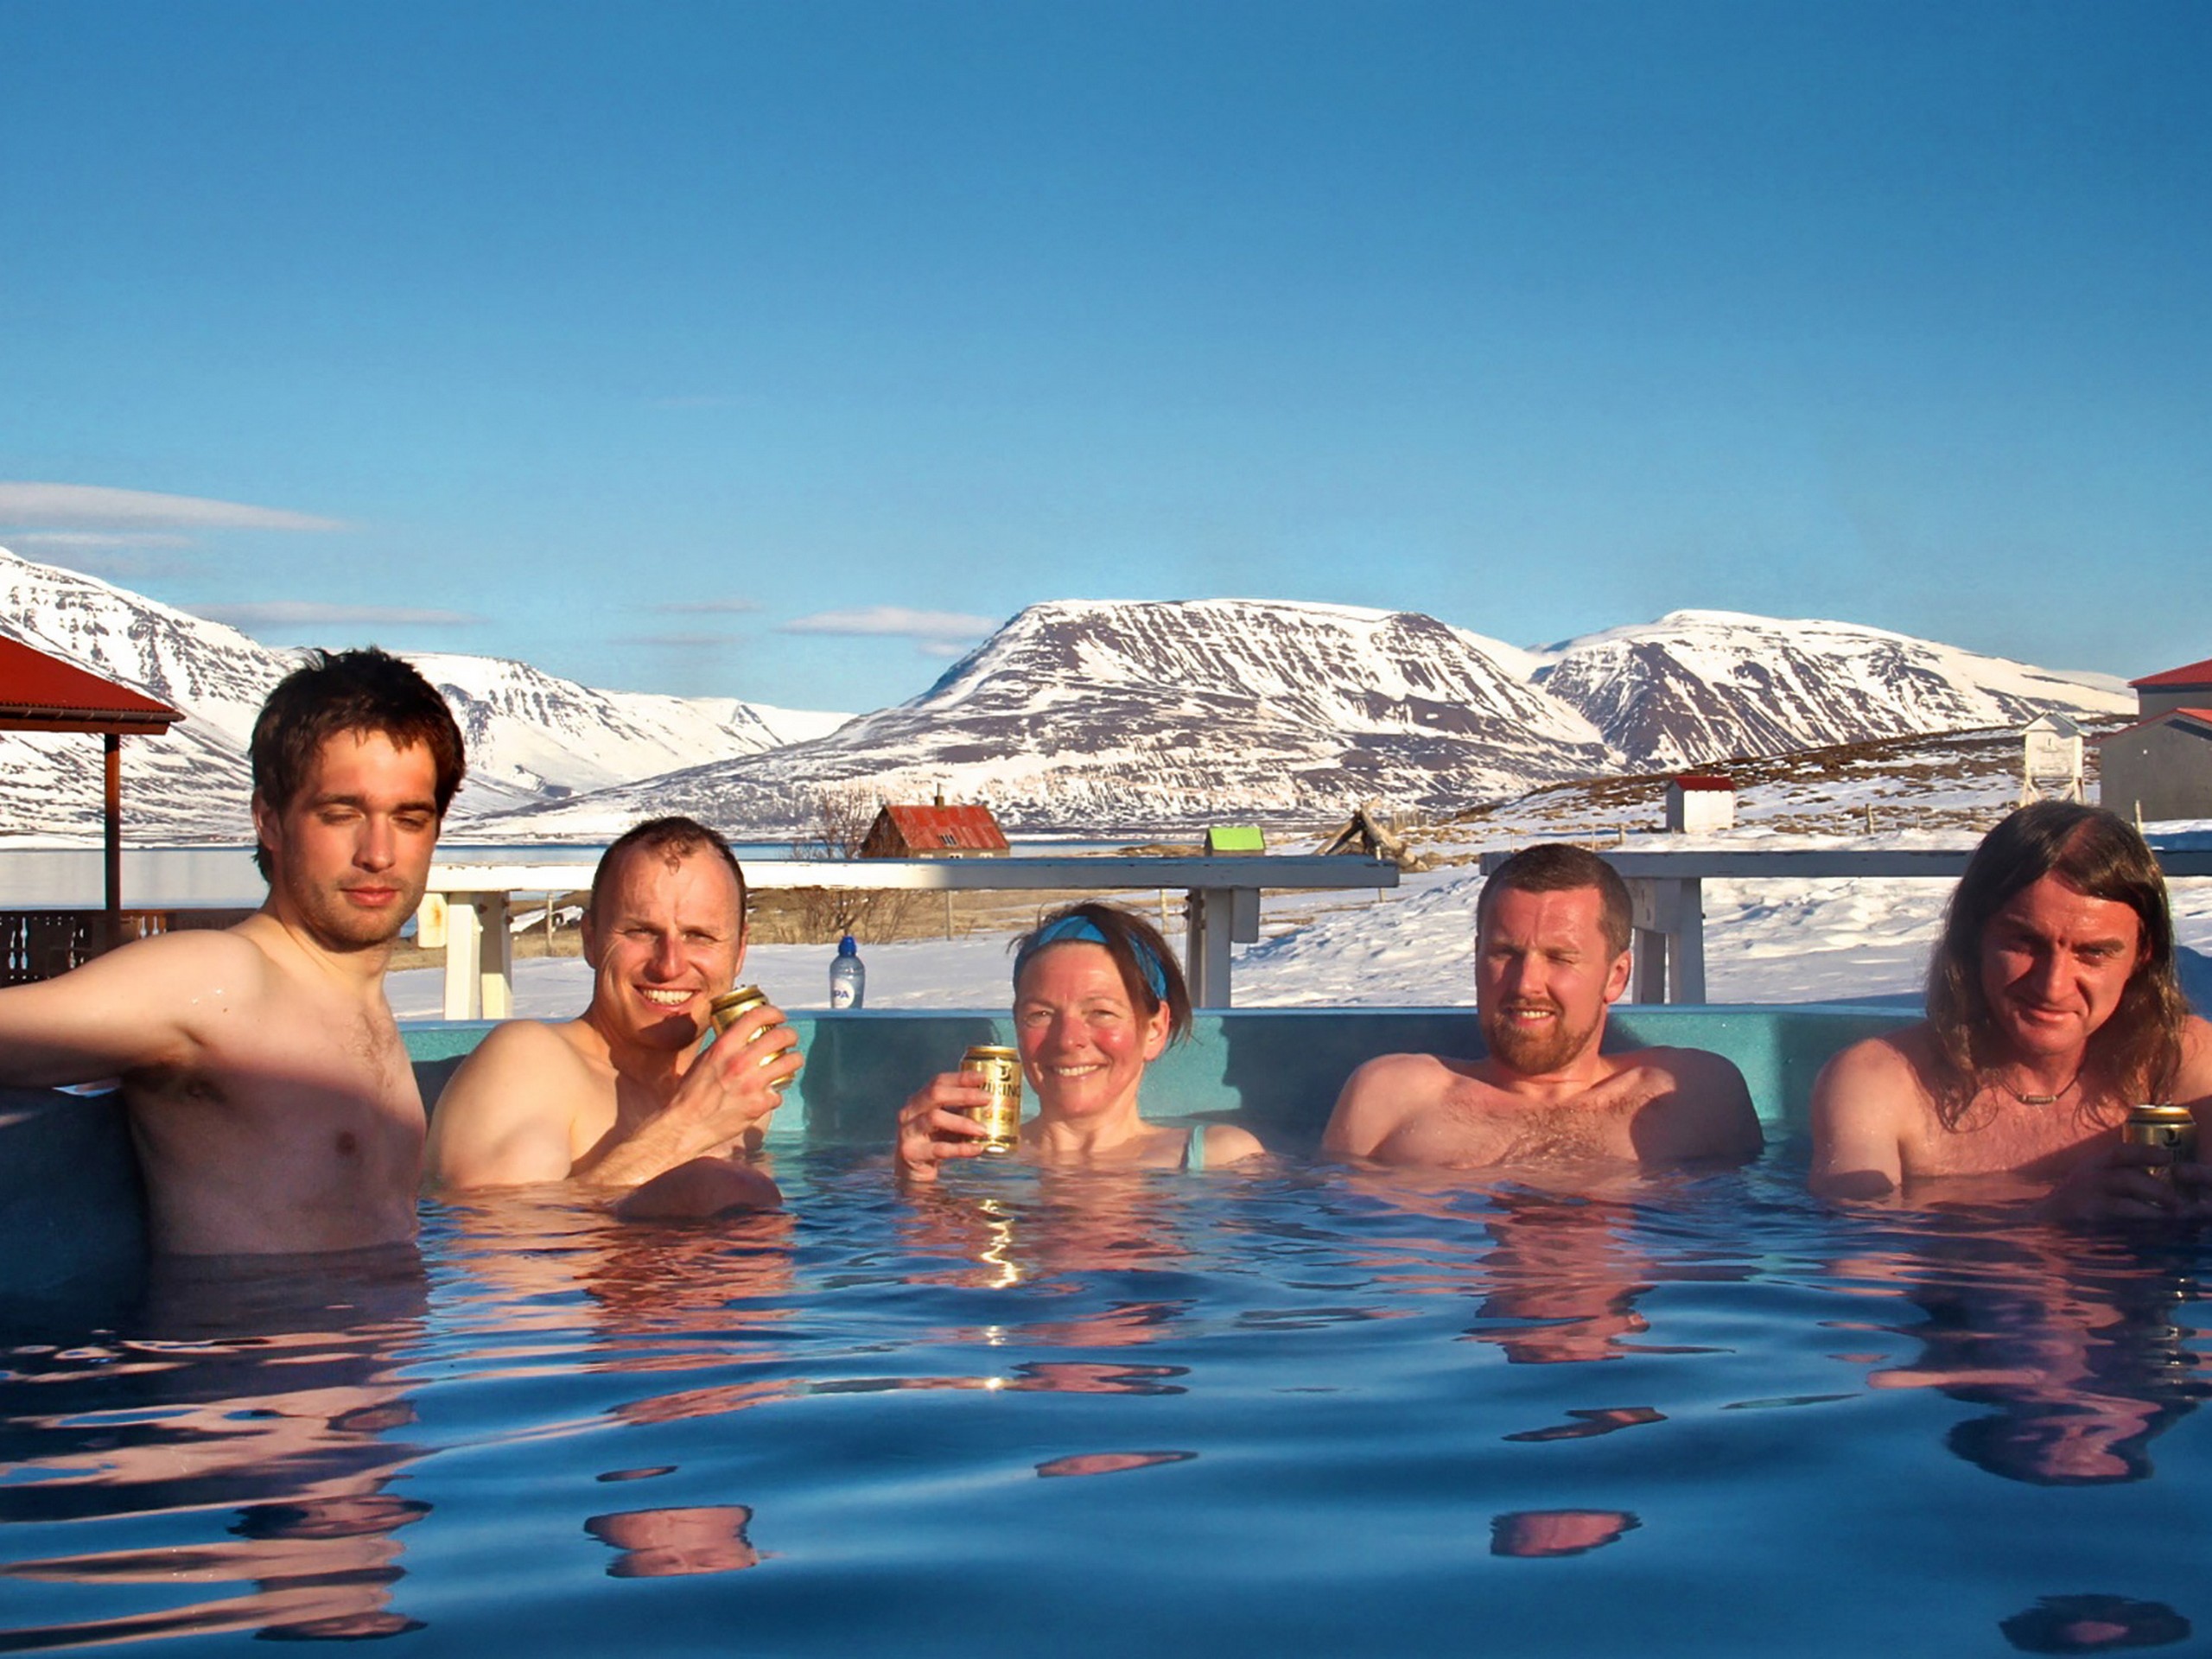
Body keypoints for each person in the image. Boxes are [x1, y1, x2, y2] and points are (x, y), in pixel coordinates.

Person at [0, 647, 466, 1255]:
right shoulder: (220, 980)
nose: (377, 853)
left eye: (408, 819)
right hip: (240, 1347)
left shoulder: (362, 1008)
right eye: (340, 814)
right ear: (269, 821)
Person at [1810, 802, 2212, 1214]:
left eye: (2093, 953)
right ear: (1973, 937)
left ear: (2142, 955)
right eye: (2024, 943)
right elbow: (1857, 1258)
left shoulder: (2185, 1062)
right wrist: (2048, 1221)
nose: (2052, 987)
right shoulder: (1882, 1083)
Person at [424, 816, 791, 1216]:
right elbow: (498, 1247)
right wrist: (687, 1128)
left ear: (739, 951)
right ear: (591, 940)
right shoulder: (531, 1064)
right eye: (640, 932)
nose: (669, 965)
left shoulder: (738, 1101)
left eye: (698, 936)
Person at [1324, 842, 1760, 1169]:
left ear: (1616, 977)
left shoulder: (1695, 1096)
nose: (1526, 983)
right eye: (1504, 953)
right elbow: (1333, 1248)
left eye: (1560, 958)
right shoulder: (1393, 1097)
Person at [895, 902, 1262, 1179]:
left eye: (1100, 1012)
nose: (1068, 1040)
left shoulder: (1222, 1160)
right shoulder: (952, 1162)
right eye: (1040, 1014)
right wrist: (917, 1187)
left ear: (1154, 1029)